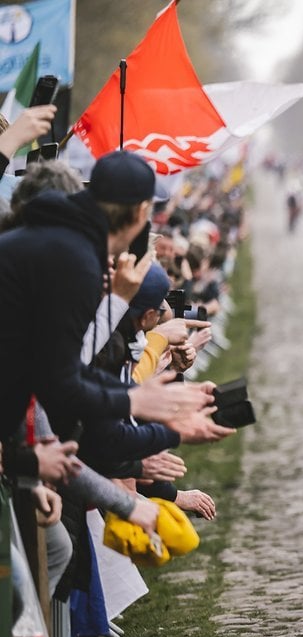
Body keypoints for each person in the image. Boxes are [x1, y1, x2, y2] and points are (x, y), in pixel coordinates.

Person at [0, 150, 209, 477]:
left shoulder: (61, 242)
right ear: (141, 212)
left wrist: (134, 395)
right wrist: (135, 403)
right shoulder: (76, 260)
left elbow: (57, 367)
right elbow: (60, 383)